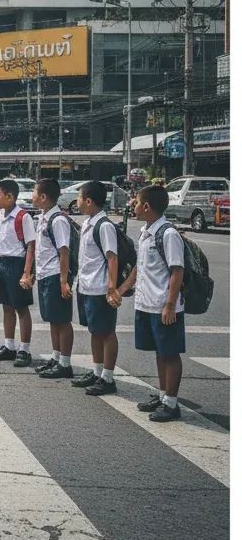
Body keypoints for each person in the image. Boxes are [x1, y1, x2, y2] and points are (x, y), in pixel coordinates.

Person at [115, 185, 186, 422]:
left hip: (163, 304)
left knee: (170, 353)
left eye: (135, 202)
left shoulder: (168, 234)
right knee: (159, 351)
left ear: (146, 206)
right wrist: (123, 288)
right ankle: (163, 394)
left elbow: (177, 271)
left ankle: (172, 404)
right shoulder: (146, 232)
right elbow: (140, 267)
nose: (132, 206)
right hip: (146, 303)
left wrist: (170, 304)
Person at [70, 180, 121, 395]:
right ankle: (97, 371)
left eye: (79, 197)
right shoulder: (89, 224)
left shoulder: (104, 226)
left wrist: (112, 287)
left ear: (89, 201)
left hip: (101, 289)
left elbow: (112, 257)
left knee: (107, 332)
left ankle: (108, 378)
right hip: (87, 287)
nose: (77, 202)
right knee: (95, 331)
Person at [0, 178, 36, 367]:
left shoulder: (23, 217)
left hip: (17, 264)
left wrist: (26, 273)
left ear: (10, 196)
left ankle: (24, 349)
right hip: (1, 263)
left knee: (21, 308)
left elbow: (31, 246)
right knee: (6, 307)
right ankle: (9, 345)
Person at [32, 178, 75, 379]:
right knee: (52, 320)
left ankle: (65, 364)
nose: (31, 196)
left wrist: (64, 281)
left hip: (56, 275)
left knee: (62, 321)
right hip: (45, 274)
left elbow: (64, 251)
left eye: (33, 192)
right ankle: (56, 357)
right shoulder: (44, 217)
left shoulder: (57, 220)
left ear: (43, 196)